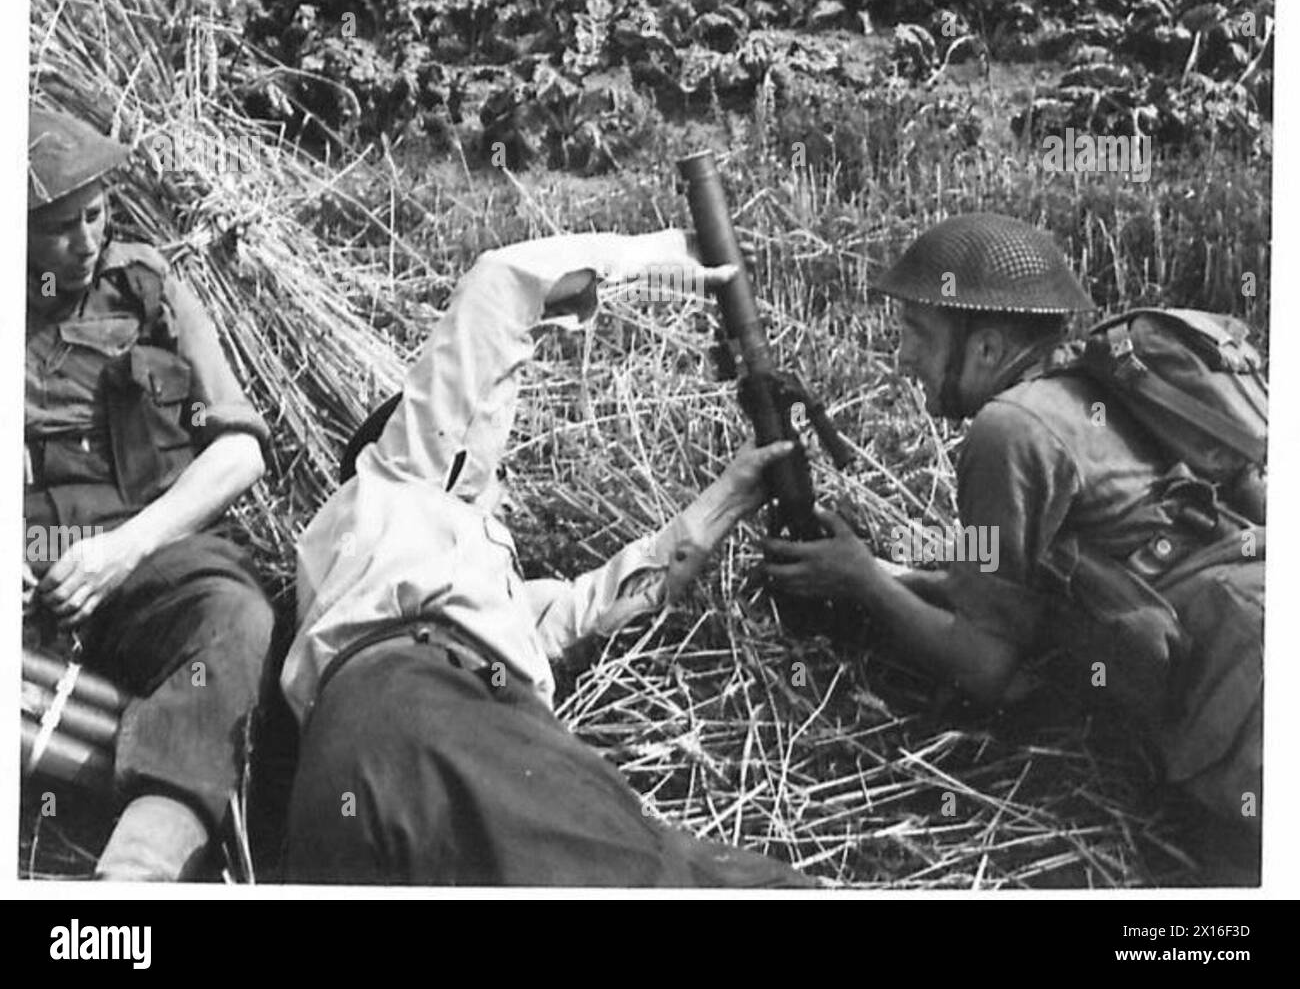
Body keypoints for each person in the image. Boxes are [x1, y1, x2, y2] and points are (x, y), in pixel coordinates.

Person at [280, 228, 810, 886]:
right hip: (428, 726)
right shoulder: (409, 472)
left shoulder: (451, 585)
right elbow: (499, 283)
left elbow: (607, 600)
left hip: (343, 782)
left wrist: (730, 497)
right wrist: (671, 255)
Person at [758, 213, 1264, 883]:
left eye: (917, 333)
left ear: (988, 348)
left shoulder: (1007, 428)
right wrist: (885, 570)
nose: (901, 356)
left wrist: (863, 584)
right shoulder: (1085, 394)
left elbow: (986, 664)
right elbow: (1013, 591)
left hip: (1252, 696)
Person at [24, 106, 275, 881]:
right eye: (60, 226)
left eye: (96, 214)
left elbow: (238, 453)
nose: (87, 239)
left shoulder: (150, 287)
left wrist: (124, 548)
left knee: (236, 621)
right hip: (30, 562)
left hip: (143, 556)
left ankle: (137, 871)